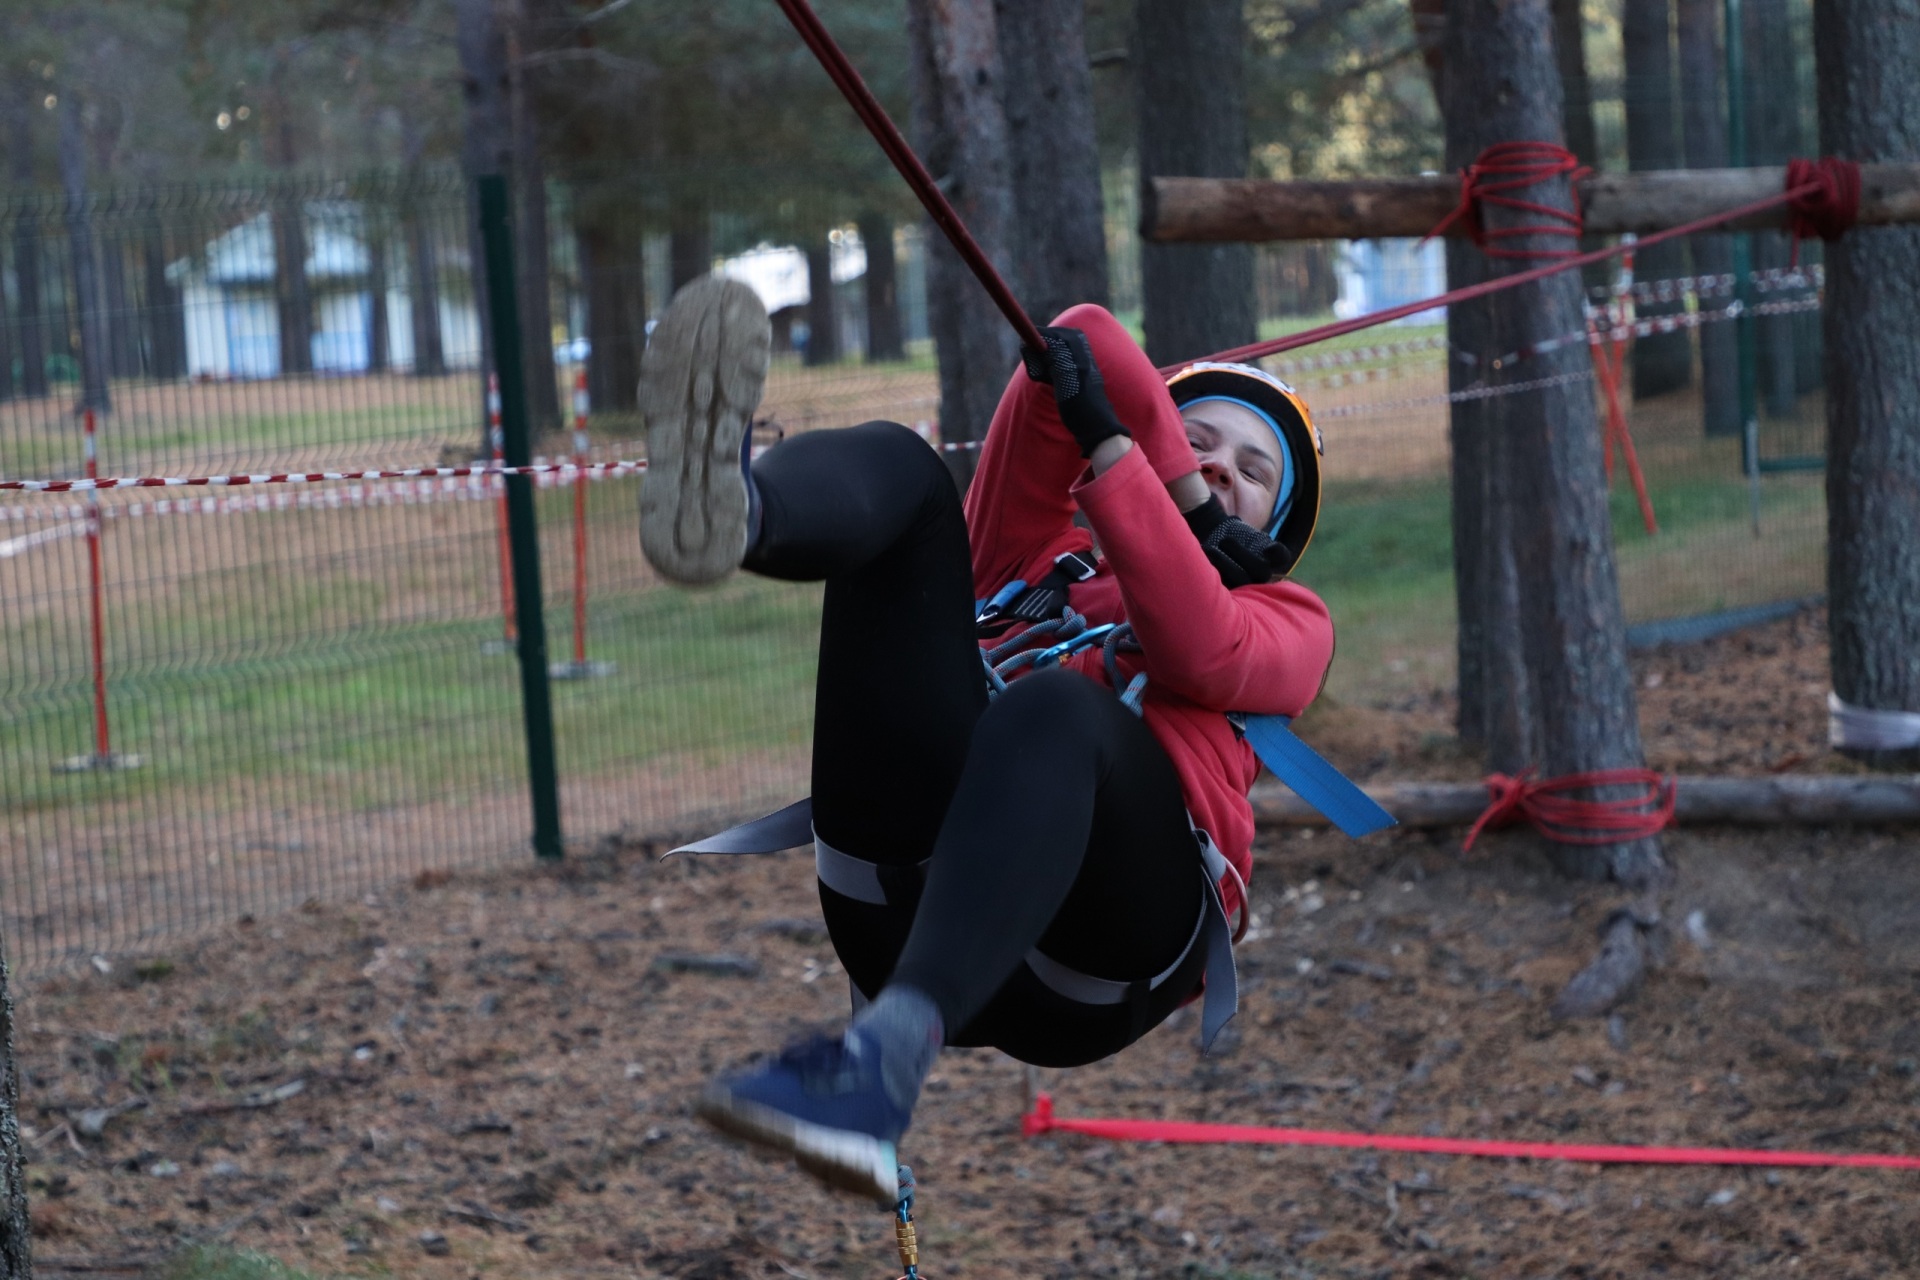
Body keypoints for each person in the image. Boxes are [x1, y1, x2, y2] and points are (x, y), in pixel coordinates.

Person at [637, 275, 1334, 1204]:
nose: (1215, 468)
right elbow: (1081, 334)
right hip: (899, 901)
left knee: (1058, 710)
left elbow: (1197, 646)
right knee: (910, 472)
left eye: (1252, 473)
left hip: (1101, 955)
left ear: (1274, 530)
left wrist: (1162, 492)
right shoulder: (1031, 560)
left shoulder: (1288, 619)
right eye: (1198, 440)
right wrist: (1149, 460)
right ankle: (736, 512)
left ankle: (881, 1064)